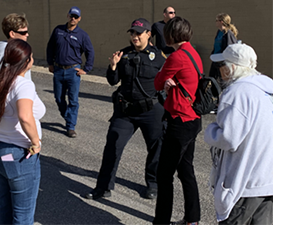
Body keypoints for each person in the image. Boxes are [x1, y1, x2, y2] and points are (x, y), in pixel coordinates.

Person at [85, 18, 166, 200]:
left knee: (156, 149)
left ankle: (153, 184)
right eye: (132, 33)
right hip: (126, 111)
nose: (135, 36)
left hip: (151, 110)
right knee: (113, 147)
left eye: (138, 33)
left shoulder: (159, 57)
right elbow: (113, 81)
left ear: (148, 34)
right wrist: (113, 66)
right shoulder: (123, 54)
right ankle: (103, 187)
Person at [204, 43, 273, 224]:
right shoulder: (270, 88)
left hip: (246, 182)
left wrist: (210, 131)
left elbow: (228, 139)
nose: (220, 71)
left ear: (231, 68)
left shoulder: (237, 93)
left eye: (222, 66)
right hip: (270, 179)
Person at [0, 39, 46, 225]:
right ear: (27, 61)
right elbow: (25, 117)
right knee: (23, 216)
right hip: (18, 155)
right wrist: (36, 142)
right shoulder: (23, 84)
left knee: (5, 207)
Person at [153, 17, 202, 225]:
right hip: (192, 118)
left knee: (164, 175)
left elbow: (157, 82)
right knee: (185, 171)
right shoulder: (193, 53)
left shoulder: (177, 56)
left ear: (170, 35)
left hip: (179, 120)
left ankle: (161, 221)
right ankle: (192, 218)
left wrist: (165, 81)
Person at [46, 6, 94, 138]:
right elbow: (50, 47)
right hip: (58, 69)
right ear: (68, 16)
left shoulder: (82, 35)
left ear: (79, 19)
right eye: (71, 16)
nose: (73, 18)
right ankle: (68, 117)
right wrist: (50, 63)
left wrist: (86, 69)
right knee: (58, 98)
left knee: (73, 100)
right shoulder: (58, 30)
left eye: (76, 17)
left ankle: (70, 127)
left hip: (73, 71)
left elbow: (90, 52)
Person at [0, 13, 32, 80]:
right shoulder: (5, 52)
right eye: (23, 32)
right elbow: (6, 80)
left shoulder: (16, 49)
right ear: (12, 34)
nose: (27, 35)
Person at [209, 13, 238, 80]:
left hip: (222, 61)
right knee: (212, 78)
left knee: (223, 80)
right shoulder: (219, 32)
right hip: (216, 59)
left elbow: (229, 48)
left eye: (217, 20)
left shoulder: (228, 33)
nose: (215, 22)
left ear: (221, 22)